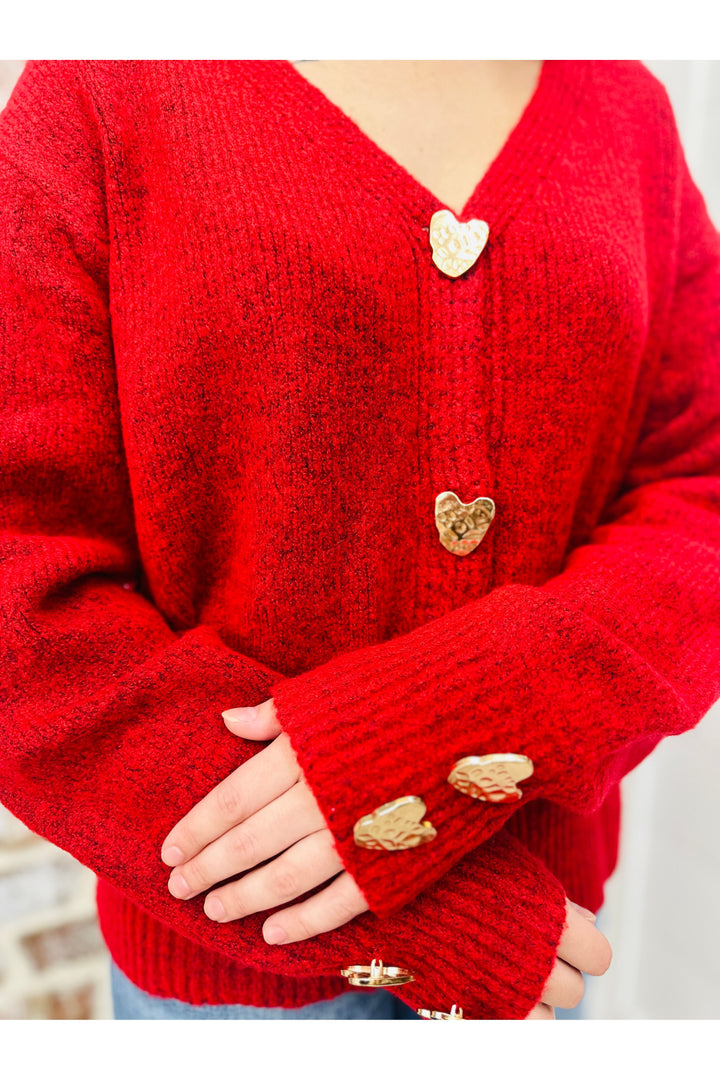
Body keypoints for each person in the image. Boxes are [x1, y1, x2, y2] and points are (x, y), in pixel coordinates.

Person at [0, 58, 717, 1022]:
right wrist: (437, 912)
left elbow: (703, 481)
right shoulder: (101, 91)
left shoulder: (624, 108)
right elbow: (19, 584)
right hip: (241, 996)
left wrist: (465, 716)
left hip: (548, 955)